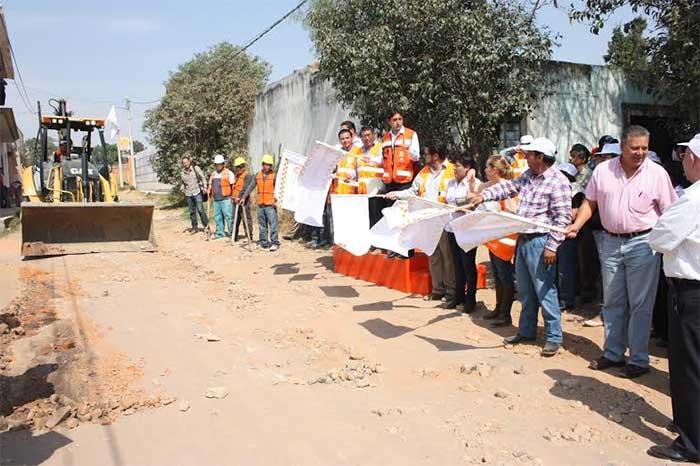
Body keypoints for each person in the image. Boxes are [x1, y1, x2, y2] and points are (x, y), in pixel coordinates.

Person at [567, 125, 678, 378]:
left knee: (640, 304)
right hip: (610, 243)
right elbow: (590, 202)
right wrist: (576, 225)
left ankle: (638, 359)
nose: (640, 153)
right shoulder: (603, 171)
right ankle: (613, 353)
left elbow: (670, 213)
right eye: (634, 148)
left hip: (644, 243)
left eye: (644, 148)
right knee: (613, 300)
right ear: (622, 147)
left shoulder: (657, 174)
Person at [469, 137, 572, 357]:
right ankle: (526, 331)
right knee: (526, 290)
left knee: (545, 291)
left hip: (542, 241)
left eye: (530, 154)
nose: (525, 157)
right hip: (524, 239)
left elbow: (562, 218)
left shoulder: (558, 181)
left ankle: (554, 337)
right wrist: (483, 195)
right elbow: (508, 188)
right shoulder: (528, 176)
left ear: (541, 157)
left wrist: (552, 247)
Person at [647, 133, 700, 463]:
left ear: (693, 159)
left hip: (691, 291)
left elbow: (661, 236)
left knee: (688, 368)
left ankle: (691, 442)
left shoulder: (692, 199)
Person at [386, 144, 456, 307]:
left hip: (445, 221)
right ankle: (438, 290)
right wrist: (396, 194)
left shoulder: (452, 170)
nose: (424, 157)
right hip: (428, 221)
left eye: (426, 154)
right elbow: (413, 191)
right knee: (433, 255)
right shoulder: (424, 172)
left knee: (448, 257)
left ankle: (451, 291)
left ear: (436, 156)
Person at [479, 155, 518, 327]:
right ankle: (498, 308)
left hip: (504, 238)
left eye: (488, 167)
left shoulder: (506, 187)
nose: (486, 170)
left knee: (505, 275)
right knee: (497, 275)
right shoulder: (488, 187)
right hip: (493, 237)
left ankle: (505, 313)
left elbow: (512, 211)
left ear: (495, 169)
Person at [445, 153, 482, 313]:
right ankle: (458, 296)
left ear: (467, 168)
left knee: (468, 264)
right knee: (457, 264)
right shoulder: (451, 183)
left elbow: (472, 201)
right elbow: (448, 200)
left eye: (458, 166)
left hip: (467, 229)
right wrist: (459, 203)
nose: (455, 169)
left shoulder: (474, 183)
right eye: (454, 166)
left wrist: (461, 202)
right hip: (452, 227)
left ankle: (470, 298)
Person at [557, 162, 584, 312]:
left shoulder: (576, 191)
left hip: (568, 234)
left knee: (566, 269)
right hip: (556, 232)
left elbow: (573, 213)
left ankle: (567, 300)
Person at [243, 154, 280, 251]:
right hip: (261, 205)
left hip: (270, 205)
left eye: (269, 165)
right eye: (266, 164)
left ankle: (274, 242)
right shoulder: (257, 175)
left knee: (273, 224)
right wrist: (244, 197)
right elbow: (250, 187)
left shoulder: (274, 176)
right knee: (262, 225)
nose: (267, 166)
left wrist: (277, 200)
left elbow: (279, 190)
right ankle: (264, 242)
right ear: (262, 164)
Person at [381, 110, 420, 193]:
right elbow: (383, 159)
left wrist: (407, 151)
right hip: (389, 182)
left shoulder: (411, 134)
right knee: (390, 206)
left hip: (404, 181)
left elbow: (416, 157)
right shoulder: (386, 137)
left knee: (402, 205)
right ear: (389, 122)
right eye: (394, 120)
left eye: (400, 119)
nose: (398, 122)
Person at [354, 126, 384, 227]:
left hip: (376, 191)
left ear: (374, 136)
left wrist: (382, 188)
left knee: (376, 219)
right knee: (365, 220)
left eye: (368, 135)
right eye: (363, 136)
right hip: (362, 191)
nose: (366, 138)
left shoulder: (380, 148)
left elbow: (386, 166)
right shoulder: (358, 151)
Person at [179, 154, 209, 233]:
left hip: (197, 192)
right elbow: (183, 183)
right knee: (192, 212)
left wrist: (205, 187)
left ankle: (206, 226)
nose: (186, 164)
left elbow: (203, 177)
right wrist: (182, 189)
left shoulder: (196, 168)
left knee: (200, 210)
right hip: (188, 194)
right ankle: (194, 228)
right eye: (184, 163)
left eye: (187, 162)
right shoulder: (182, 173)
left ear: (189, 161)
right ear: (183, 164)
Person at [207, 154, 235, 239]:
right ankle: (220, 233)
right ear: (215, 165)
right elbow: (210, 184)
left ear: (223, 164)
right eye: (217, 164)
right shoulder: (213, 174)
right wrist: (209, 189)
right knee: (218, 217)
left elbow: (233, 186)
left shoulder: (229, 173)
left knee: (229, 217)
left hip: (226, 199)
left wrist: (233, 197)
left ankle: (232, 233)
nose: (218, 166)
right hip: (216, 199)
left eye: (220, 164)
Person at [232, 157, 255, 243]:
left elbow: (245, 188)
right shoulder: (236, 175)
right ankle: (234, 236)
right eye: (237, 167)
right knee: (235, 220)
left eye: (239, 167)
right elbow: (235, 187)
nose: (237, 169)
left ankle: (249, 237)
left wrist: (240, 197)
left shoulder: (247, 175)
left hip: (243, 202)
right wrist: (233, 197)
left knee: (246, 220)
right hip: (235, 201)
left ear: (243, 167)